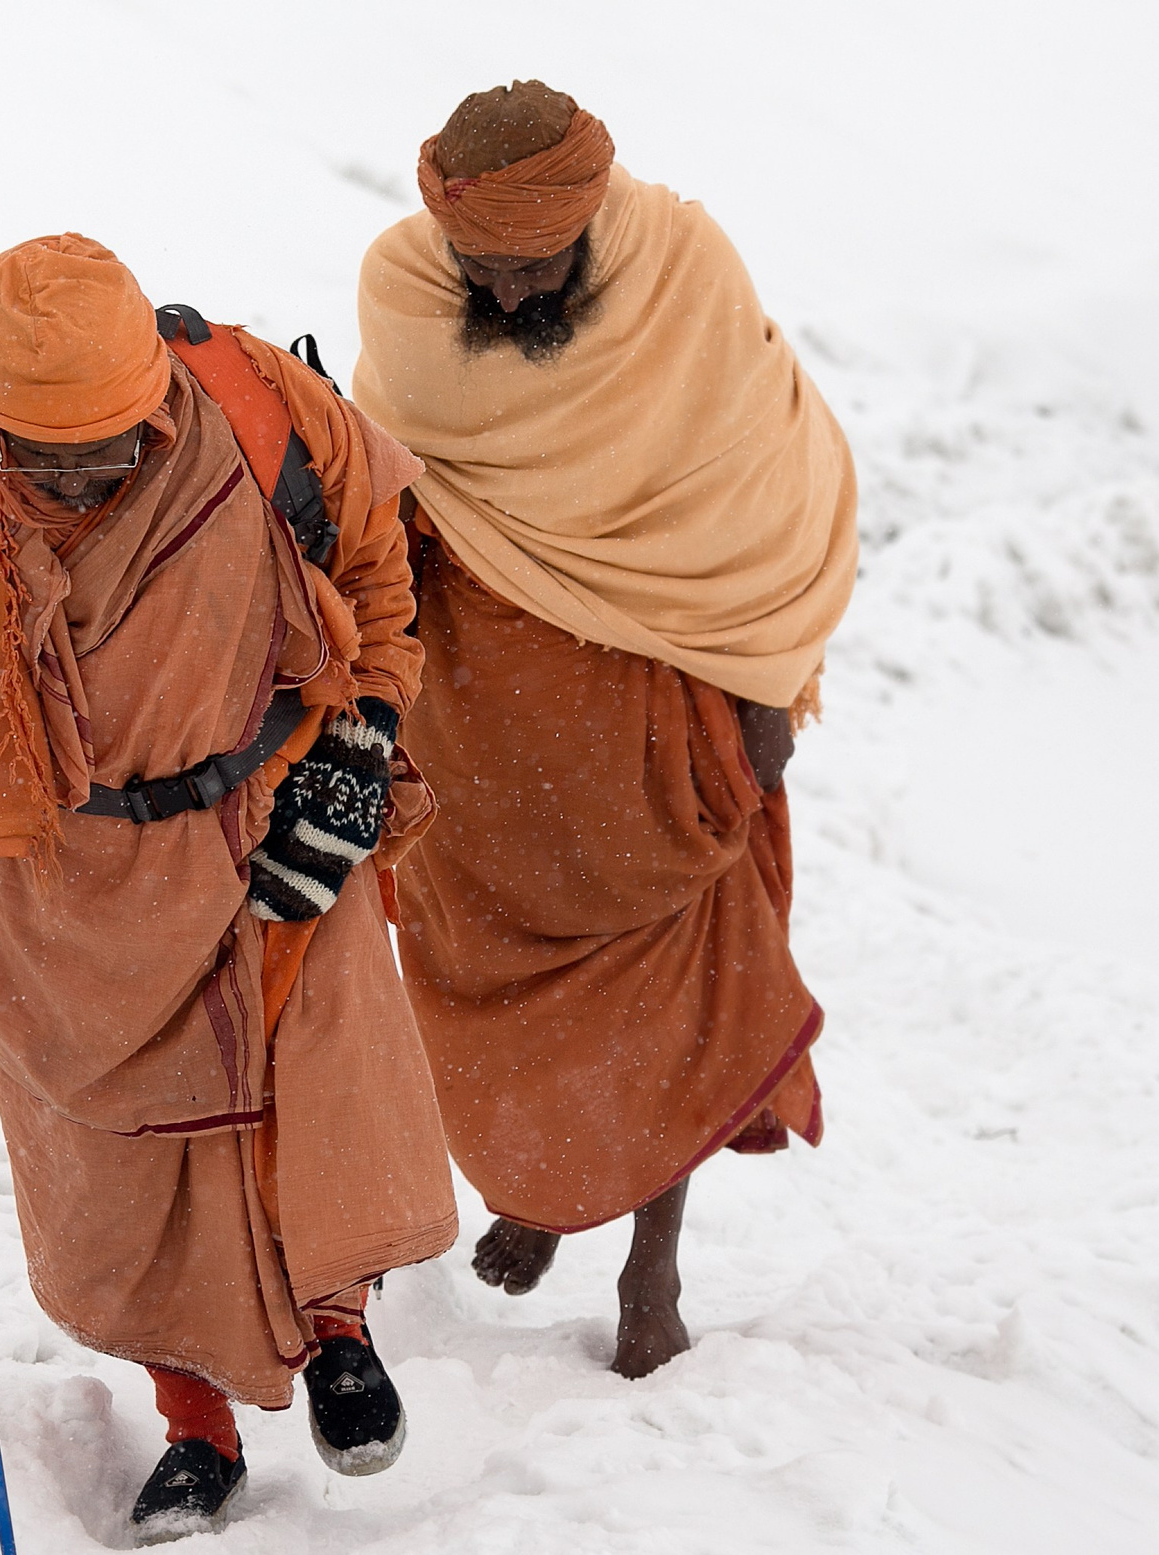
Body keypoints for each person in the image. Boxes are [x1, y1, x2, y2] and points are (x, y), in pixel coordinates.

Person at [0, 235, 456, 1538]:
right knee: (125, 1175)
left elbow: (378, 572)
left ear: (155, 394)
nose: (79, 474)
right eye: (48, 453)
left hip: (274, 815)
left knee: (302, 1103)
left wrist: (359, 750)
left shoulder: (259, 408)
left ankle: (339, 1338)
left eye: (110, 445)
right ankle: (192, 1427)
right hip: (56, 882)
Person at [352, 84, 855, 1377]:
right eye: (484, 270)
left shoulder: (680, 278)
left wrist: (764, 700)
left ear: (588, 220)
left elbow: (772, 488)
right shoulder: (407, 297)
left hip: (655, 707)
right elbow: (389, 488)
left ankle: (653, 1259)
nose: (509, 298)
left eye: (536, 271)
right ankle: (540, 1193)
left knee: (662, 988)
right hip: (478, 733)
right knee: (501, 978)